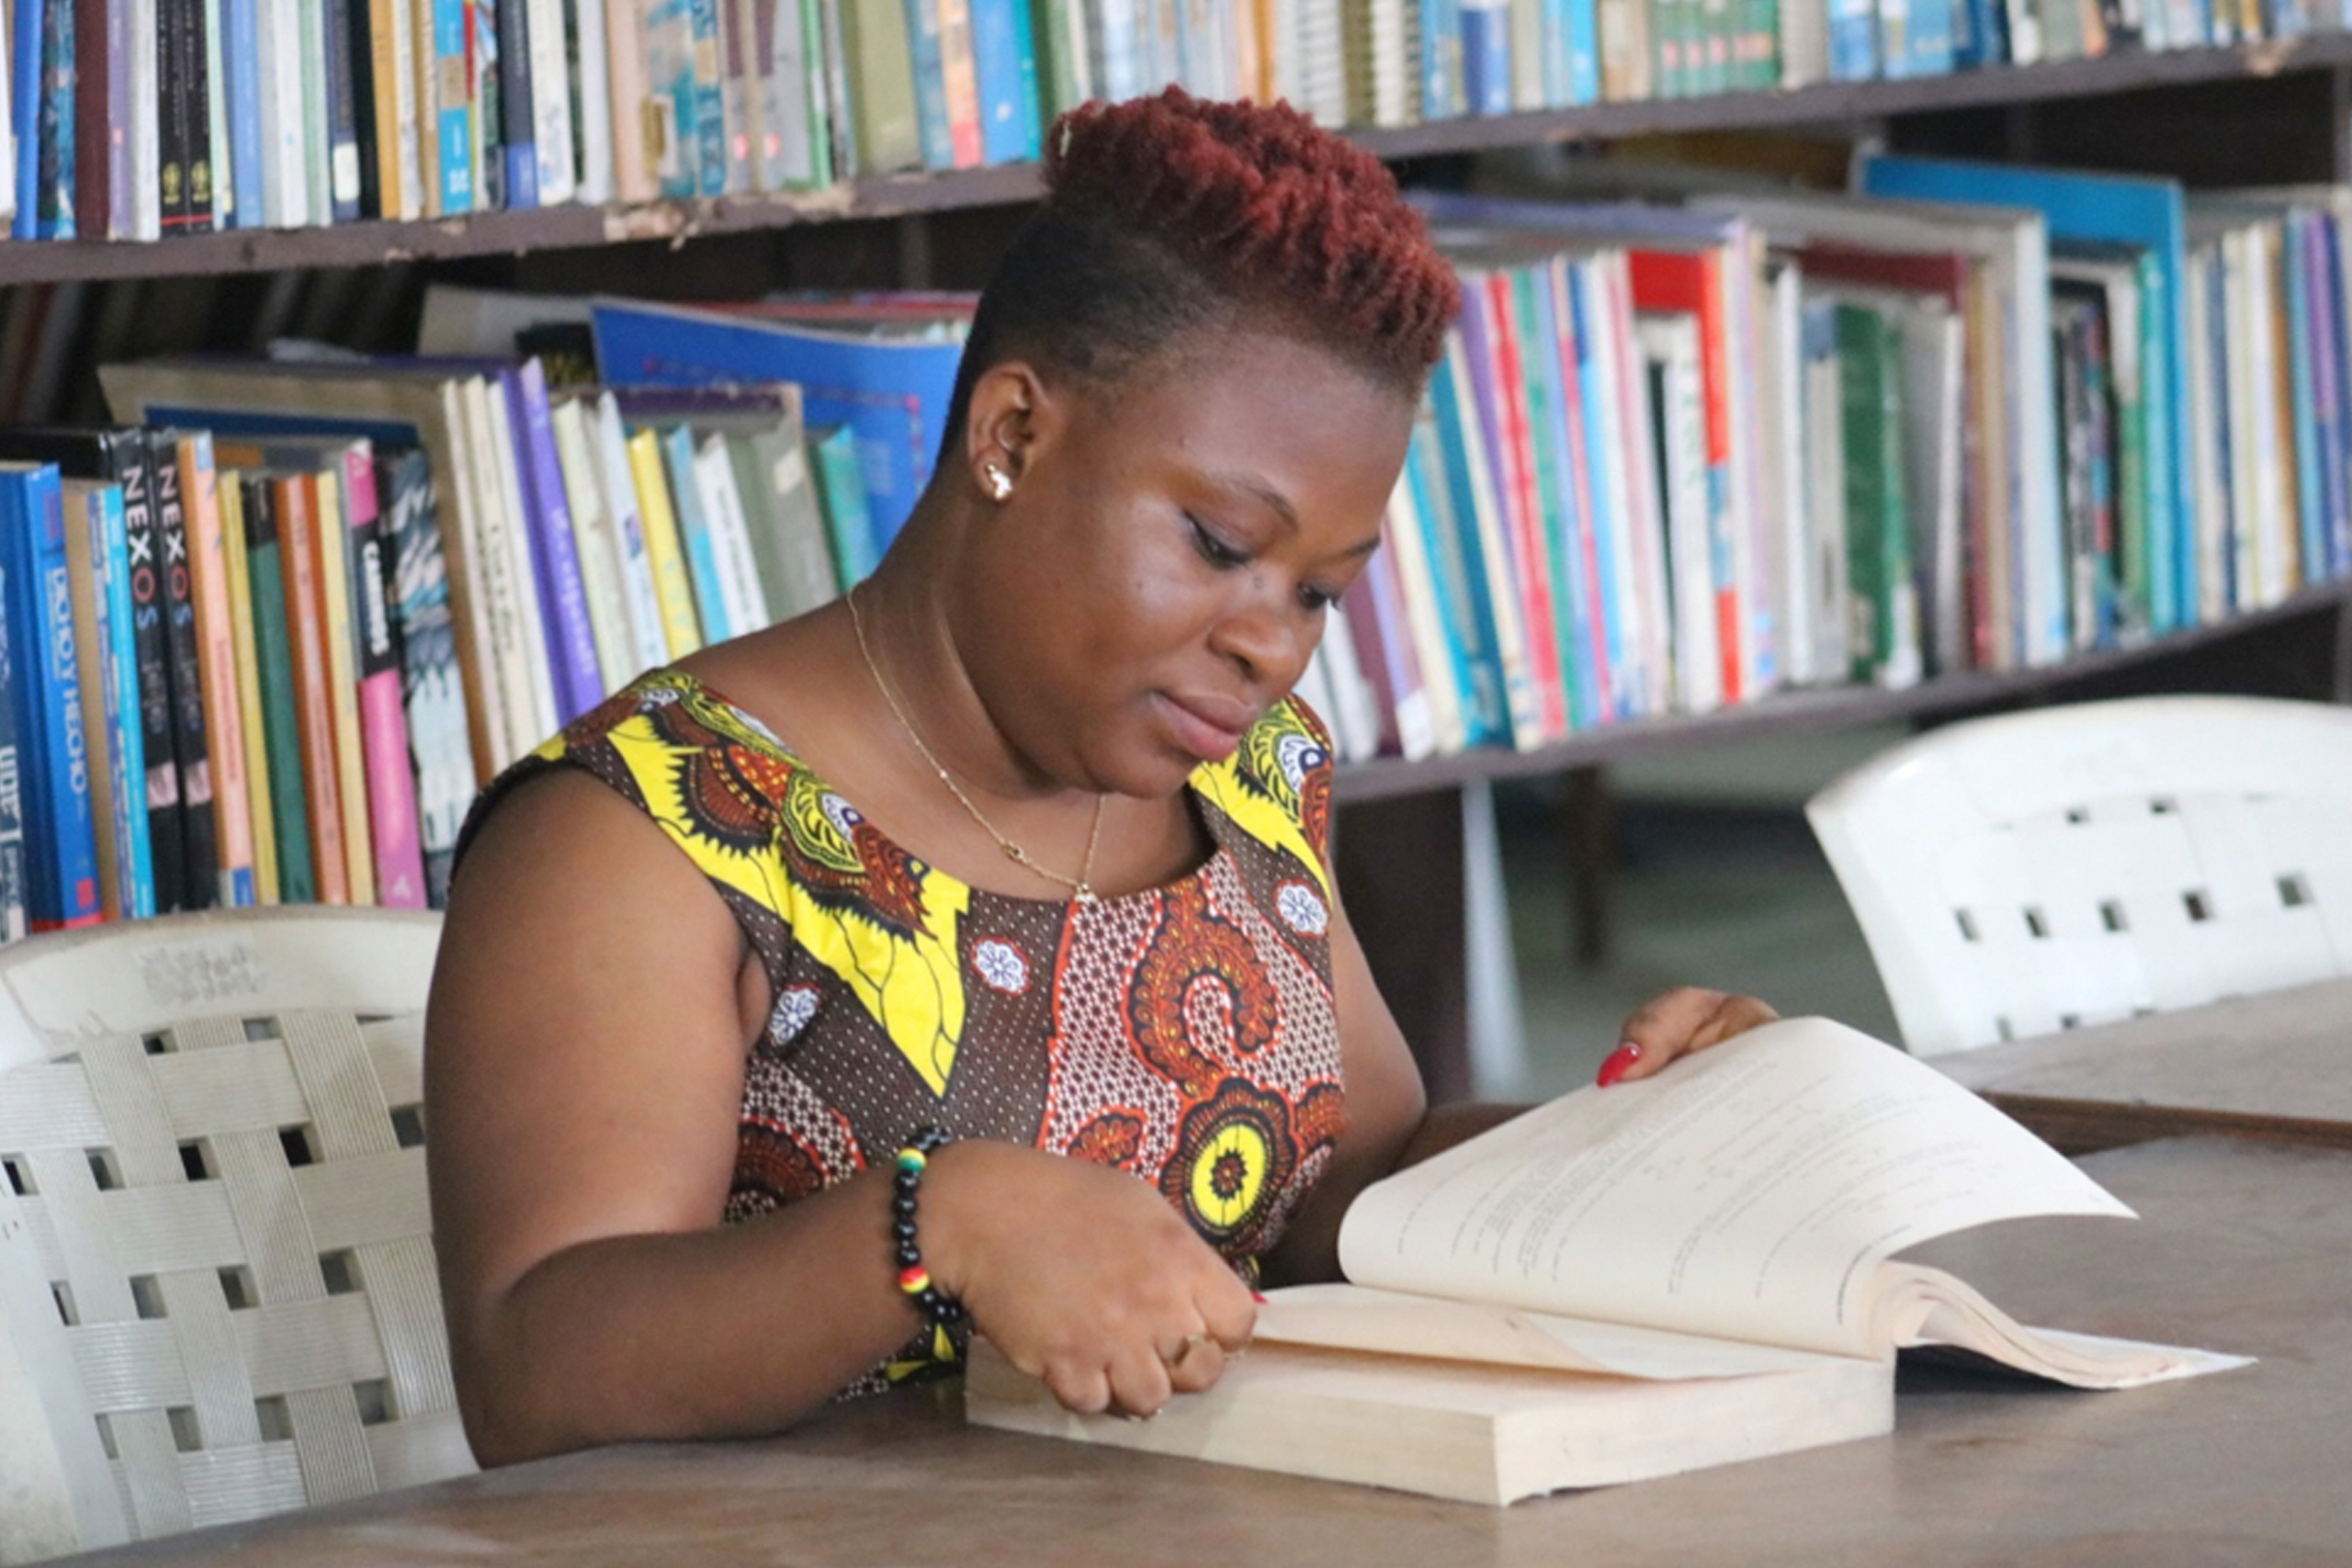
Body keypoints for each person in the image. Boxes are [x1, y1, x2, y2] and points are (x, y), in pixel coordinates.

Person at [424, 87, 1778, 1469]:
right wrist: (933, 1223)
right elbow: (537, 1367)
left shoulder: (1247, 780)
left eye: (1318, 594)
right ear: (1012, 436)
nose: (1268, 646)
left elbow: (1340, 1198)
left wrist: (1631, 1149)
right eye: (1216, 542)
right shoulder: (652, 827)